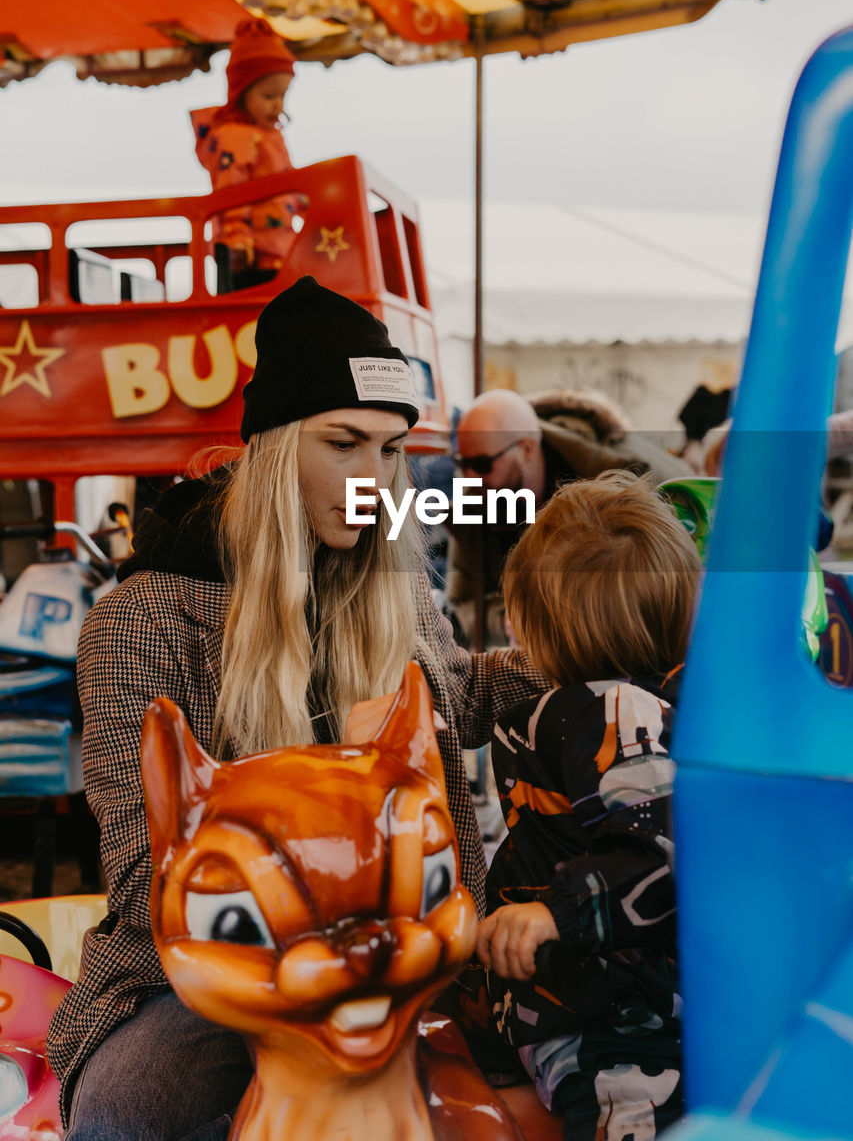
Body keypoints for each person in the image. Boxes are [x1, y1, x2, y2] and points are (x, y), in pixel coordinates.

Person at [46, 276, 547, 1141]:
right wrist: (326, 786)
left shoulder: (389, 584)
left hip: (407, 951)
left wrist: (604, 654)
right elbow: (141, 873)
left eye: (392, 450)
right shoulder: (143, 621)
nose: (374, 479)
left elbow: (465, 691)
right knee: (134, 1113)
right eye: (344, 443)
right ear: (274, 450)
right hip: (216, 975)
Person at [473, 472, 701, 1140]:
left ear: (533, 623)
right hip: (579, 996)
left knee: (620, 1117)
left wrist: (555, 912)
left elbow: (661, 849)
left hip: (623, 1016)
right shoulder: (637, 706)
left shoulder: (612, 713)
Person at [445, 388, 683, 647]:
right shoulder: (474, 505)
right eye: (462, 462)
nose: (469, 476)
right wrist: (505, 618)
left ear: (526, 448)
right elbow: (463, 607)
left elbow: (670, 584)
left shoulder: (624, 479)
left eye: (482, 463)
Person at [191, 17, 304, 292]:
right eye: (268, 96)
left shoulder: (272, 136)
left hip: (278, 251)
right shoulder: (233, 136)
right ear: (241, 93)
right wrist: (236, 239)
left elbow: (289, 184)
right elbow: (230, 191)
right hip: (246, 255)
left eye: (282, 96)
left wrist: (315, 200)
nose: (278, 104)